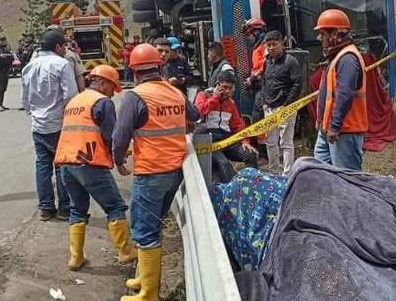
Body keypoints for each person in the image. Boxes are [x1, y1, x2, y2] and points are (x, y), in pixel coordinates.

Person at [112, 43, 199, 301]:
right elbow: (194, 115)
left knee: (144, 229)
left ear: (135, 72)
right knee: (153, 224)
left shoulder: (135, 96)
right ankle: (144, 278)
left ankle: (149, 294)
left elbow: (119, 137)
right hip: (175, 172)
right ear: (159, 68)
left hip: (151, 172)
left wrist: (119, 161)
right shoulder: (174, 92)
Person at [54, 65, 136, 271]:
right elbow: (112, 138)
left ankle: (76, 258)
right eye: (112, 87)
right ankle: (125, 252)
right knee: (115, 206)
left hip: (66, 163)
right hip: (89, 162)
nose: (112, 92)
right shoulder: (102, 102)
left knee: (77, 209)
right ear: (103, 83)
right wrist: (120, 160)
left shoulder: (75, 100)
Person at [21, 30, 78, 221]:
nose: (65, 50)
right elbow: (70, 95)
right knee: (61, 165)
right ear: (58, 47)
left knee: (42, 165)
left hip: (38, 124)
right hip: (59, 123)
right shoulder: (61, 64)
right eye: (63, 46)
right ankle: (65, 208)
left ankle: (46, 207)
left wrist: (34, 114)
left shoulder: (29, 67)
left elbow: (25, 98)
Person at [313, 9, 368, 170]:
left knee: (347, 180)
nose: (321, 39)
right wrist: (322, 122)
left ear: (335, 34)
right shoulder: (337, 56)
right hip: (328, 129)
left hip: (344, 131)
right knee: (322, 174)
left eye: (323, 34)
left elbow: (344, 95)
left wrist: (335, 126)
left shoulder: (347, 59)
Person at [195, 71, 259, 182]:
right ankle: (232, 193)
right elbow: (198, 113)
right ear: (217, 85)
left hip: (226, 139)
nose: (228, 91)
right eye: (224, 87)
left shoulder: (231, 103)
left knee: (251, 154)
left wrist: (245, 141)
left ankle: (250, 185)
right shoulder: (203, 95)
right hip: (208, 142)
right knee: (224, 164)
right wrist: (214, 99)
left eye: (230, 88)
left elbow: (238, 124)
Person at [258, 30, 302, 174]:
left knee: (286, 143)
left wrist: (287, 104)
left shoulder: (291, 61)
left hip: (285, 108)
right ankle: (274, 172)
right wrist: (264, 102)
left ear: (281, 43)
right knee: (270, 142)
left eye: (274, 44)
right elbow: (264, 81)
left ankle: (287, 174)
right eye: (268, 45)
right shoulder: (267, 62)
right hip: (269, 108)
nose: (271, 48)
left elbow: (297, 84)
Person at [243, 17, 268, 123]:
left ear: (256, 32)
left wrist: (252, 78)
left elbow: (265, 64)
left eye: (249, 35)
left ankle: (260, 138)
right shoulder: (258, 46)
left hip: (264, 84)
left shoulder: (265, 45)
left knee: (258, 112)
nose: (249, 38)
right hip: (258, 84)